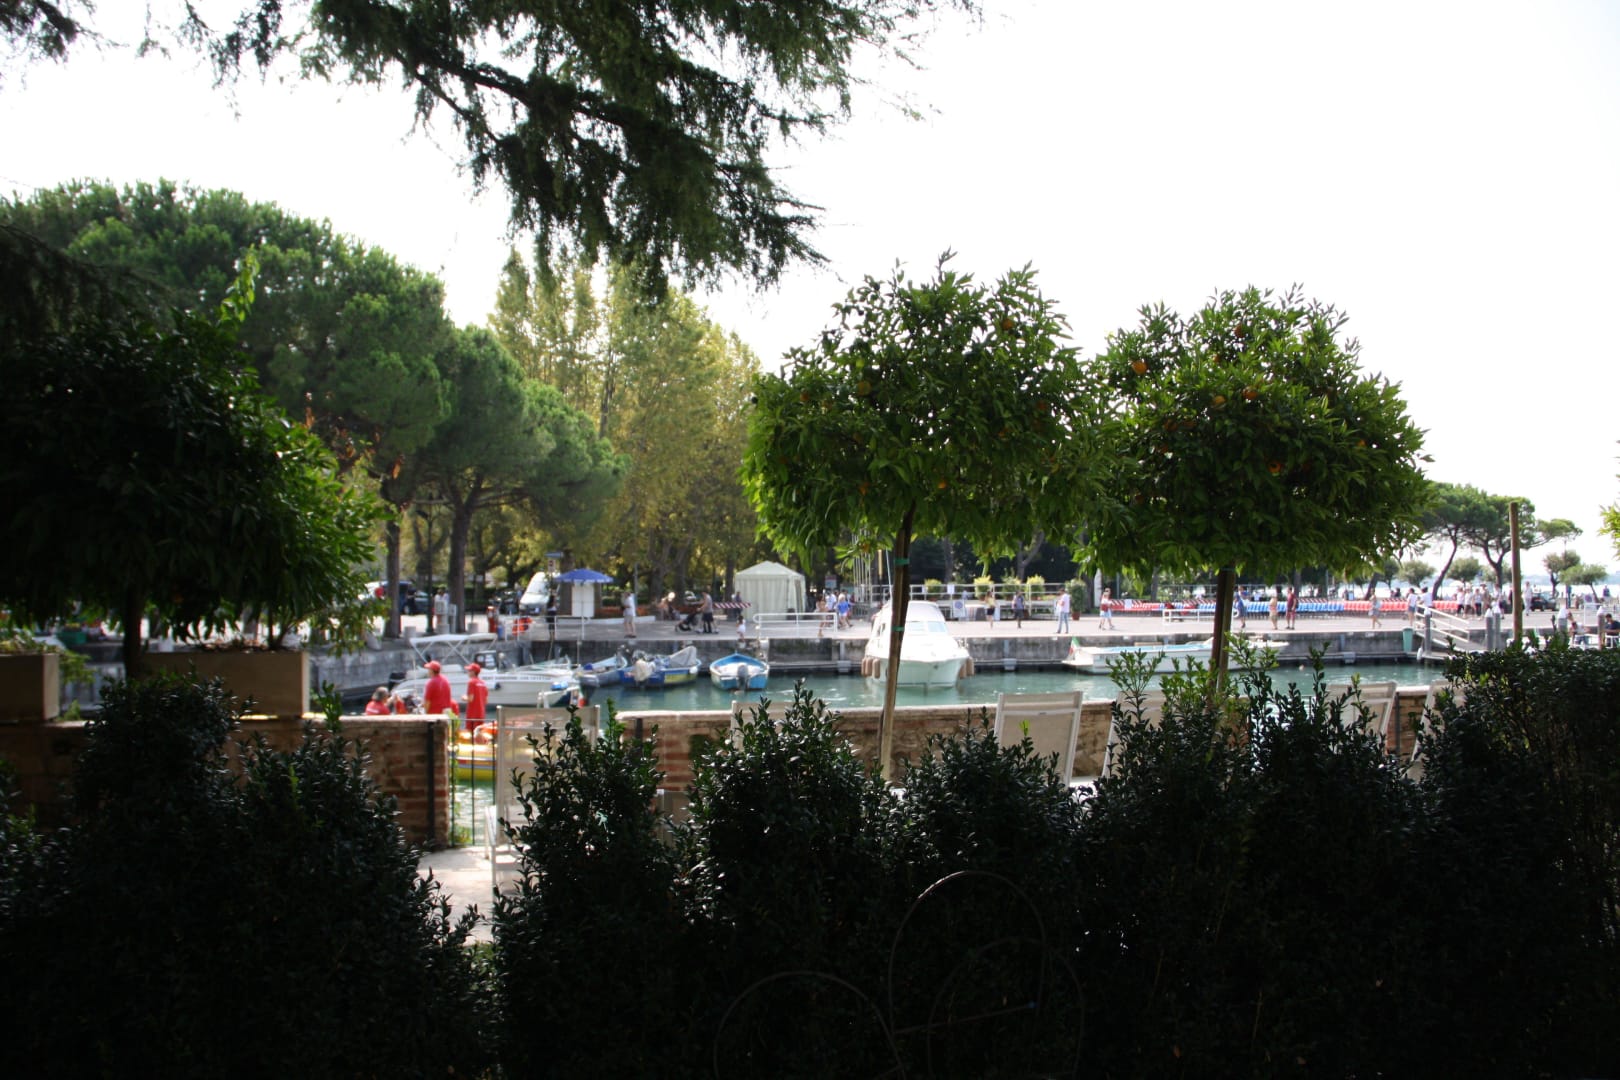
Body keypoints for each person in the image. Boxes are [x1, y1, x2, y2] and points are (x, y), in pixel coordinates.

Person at [461, 661, 489, 733]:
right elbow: (486, 701)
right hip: (481, 714)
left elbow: (470, 699)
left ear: (473, 672)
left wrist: (464, 697)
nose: (468, 672)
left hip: (472, 714)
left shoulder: (471, 682)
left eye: (469, 670)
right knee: (479, 733)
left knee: (470, 734)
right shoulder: (483, 683)